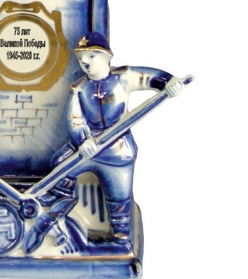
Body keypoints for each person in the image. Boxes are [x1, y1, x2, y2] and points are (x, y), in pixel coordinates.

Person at [39, 32, 184, 245]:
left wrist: (170, 82)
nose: (85, 62)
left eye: (92, 56)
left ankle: (120, 238)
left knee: (119, 196)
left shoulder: (123, 78)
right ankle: (59, 218)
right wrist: (83, 141)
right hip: (88, 148)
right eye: (81, 58)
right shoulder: (79, 89)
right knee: (60, 165)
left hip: (118, 150)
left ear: (107, 56)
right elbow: (75, 119)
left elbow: (149, 77)